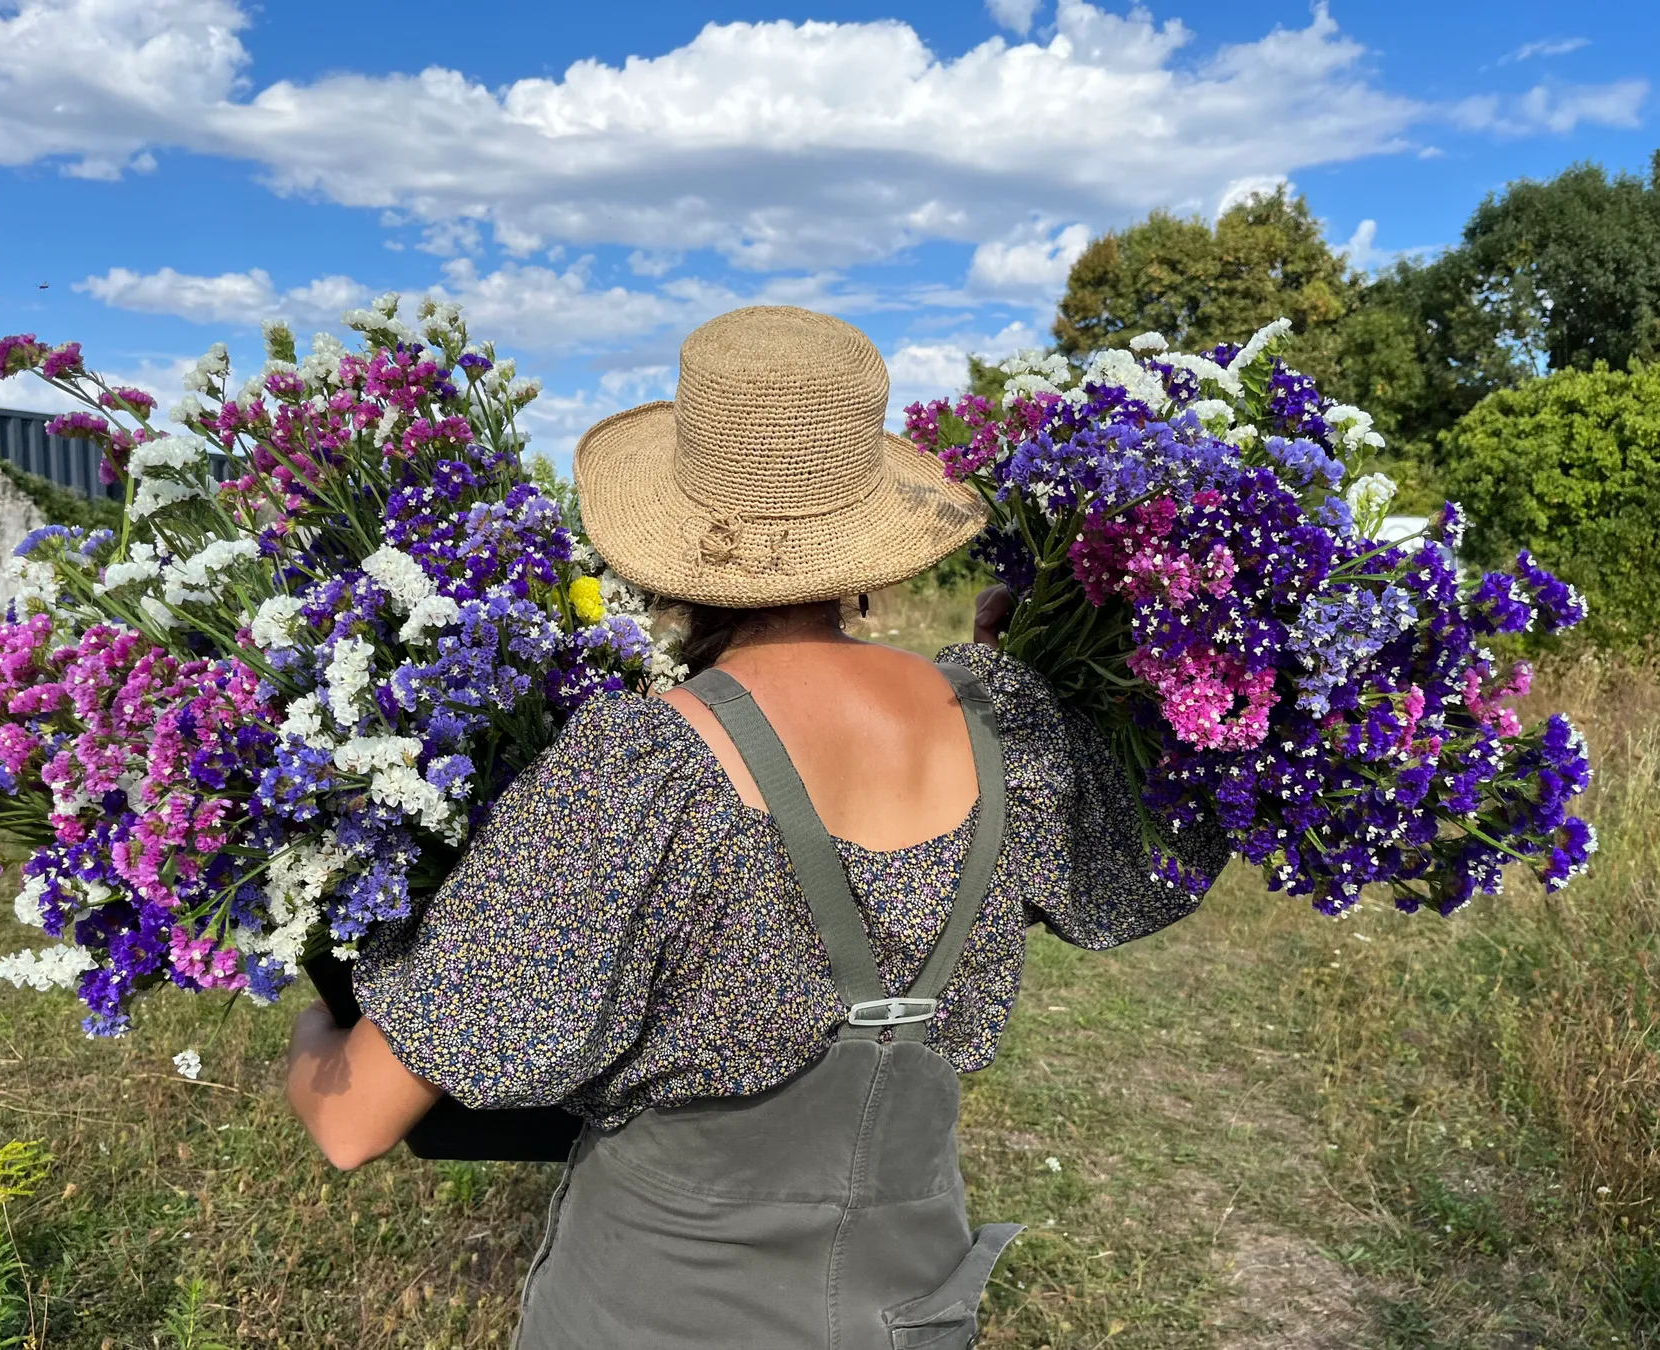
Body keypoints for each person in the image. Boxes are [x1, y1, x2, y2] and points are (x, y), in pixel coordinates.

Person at [285, 306, 1226, 1349]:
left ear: (673, 548)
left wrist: (313, 1034)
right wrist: (1010, 668)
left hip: (655, 1309)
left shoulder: (639, 769)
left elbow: (351, 1125)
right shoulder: (1006, 725)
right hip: (911, 1302)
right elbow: (1112, 876)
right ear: (866, 541)